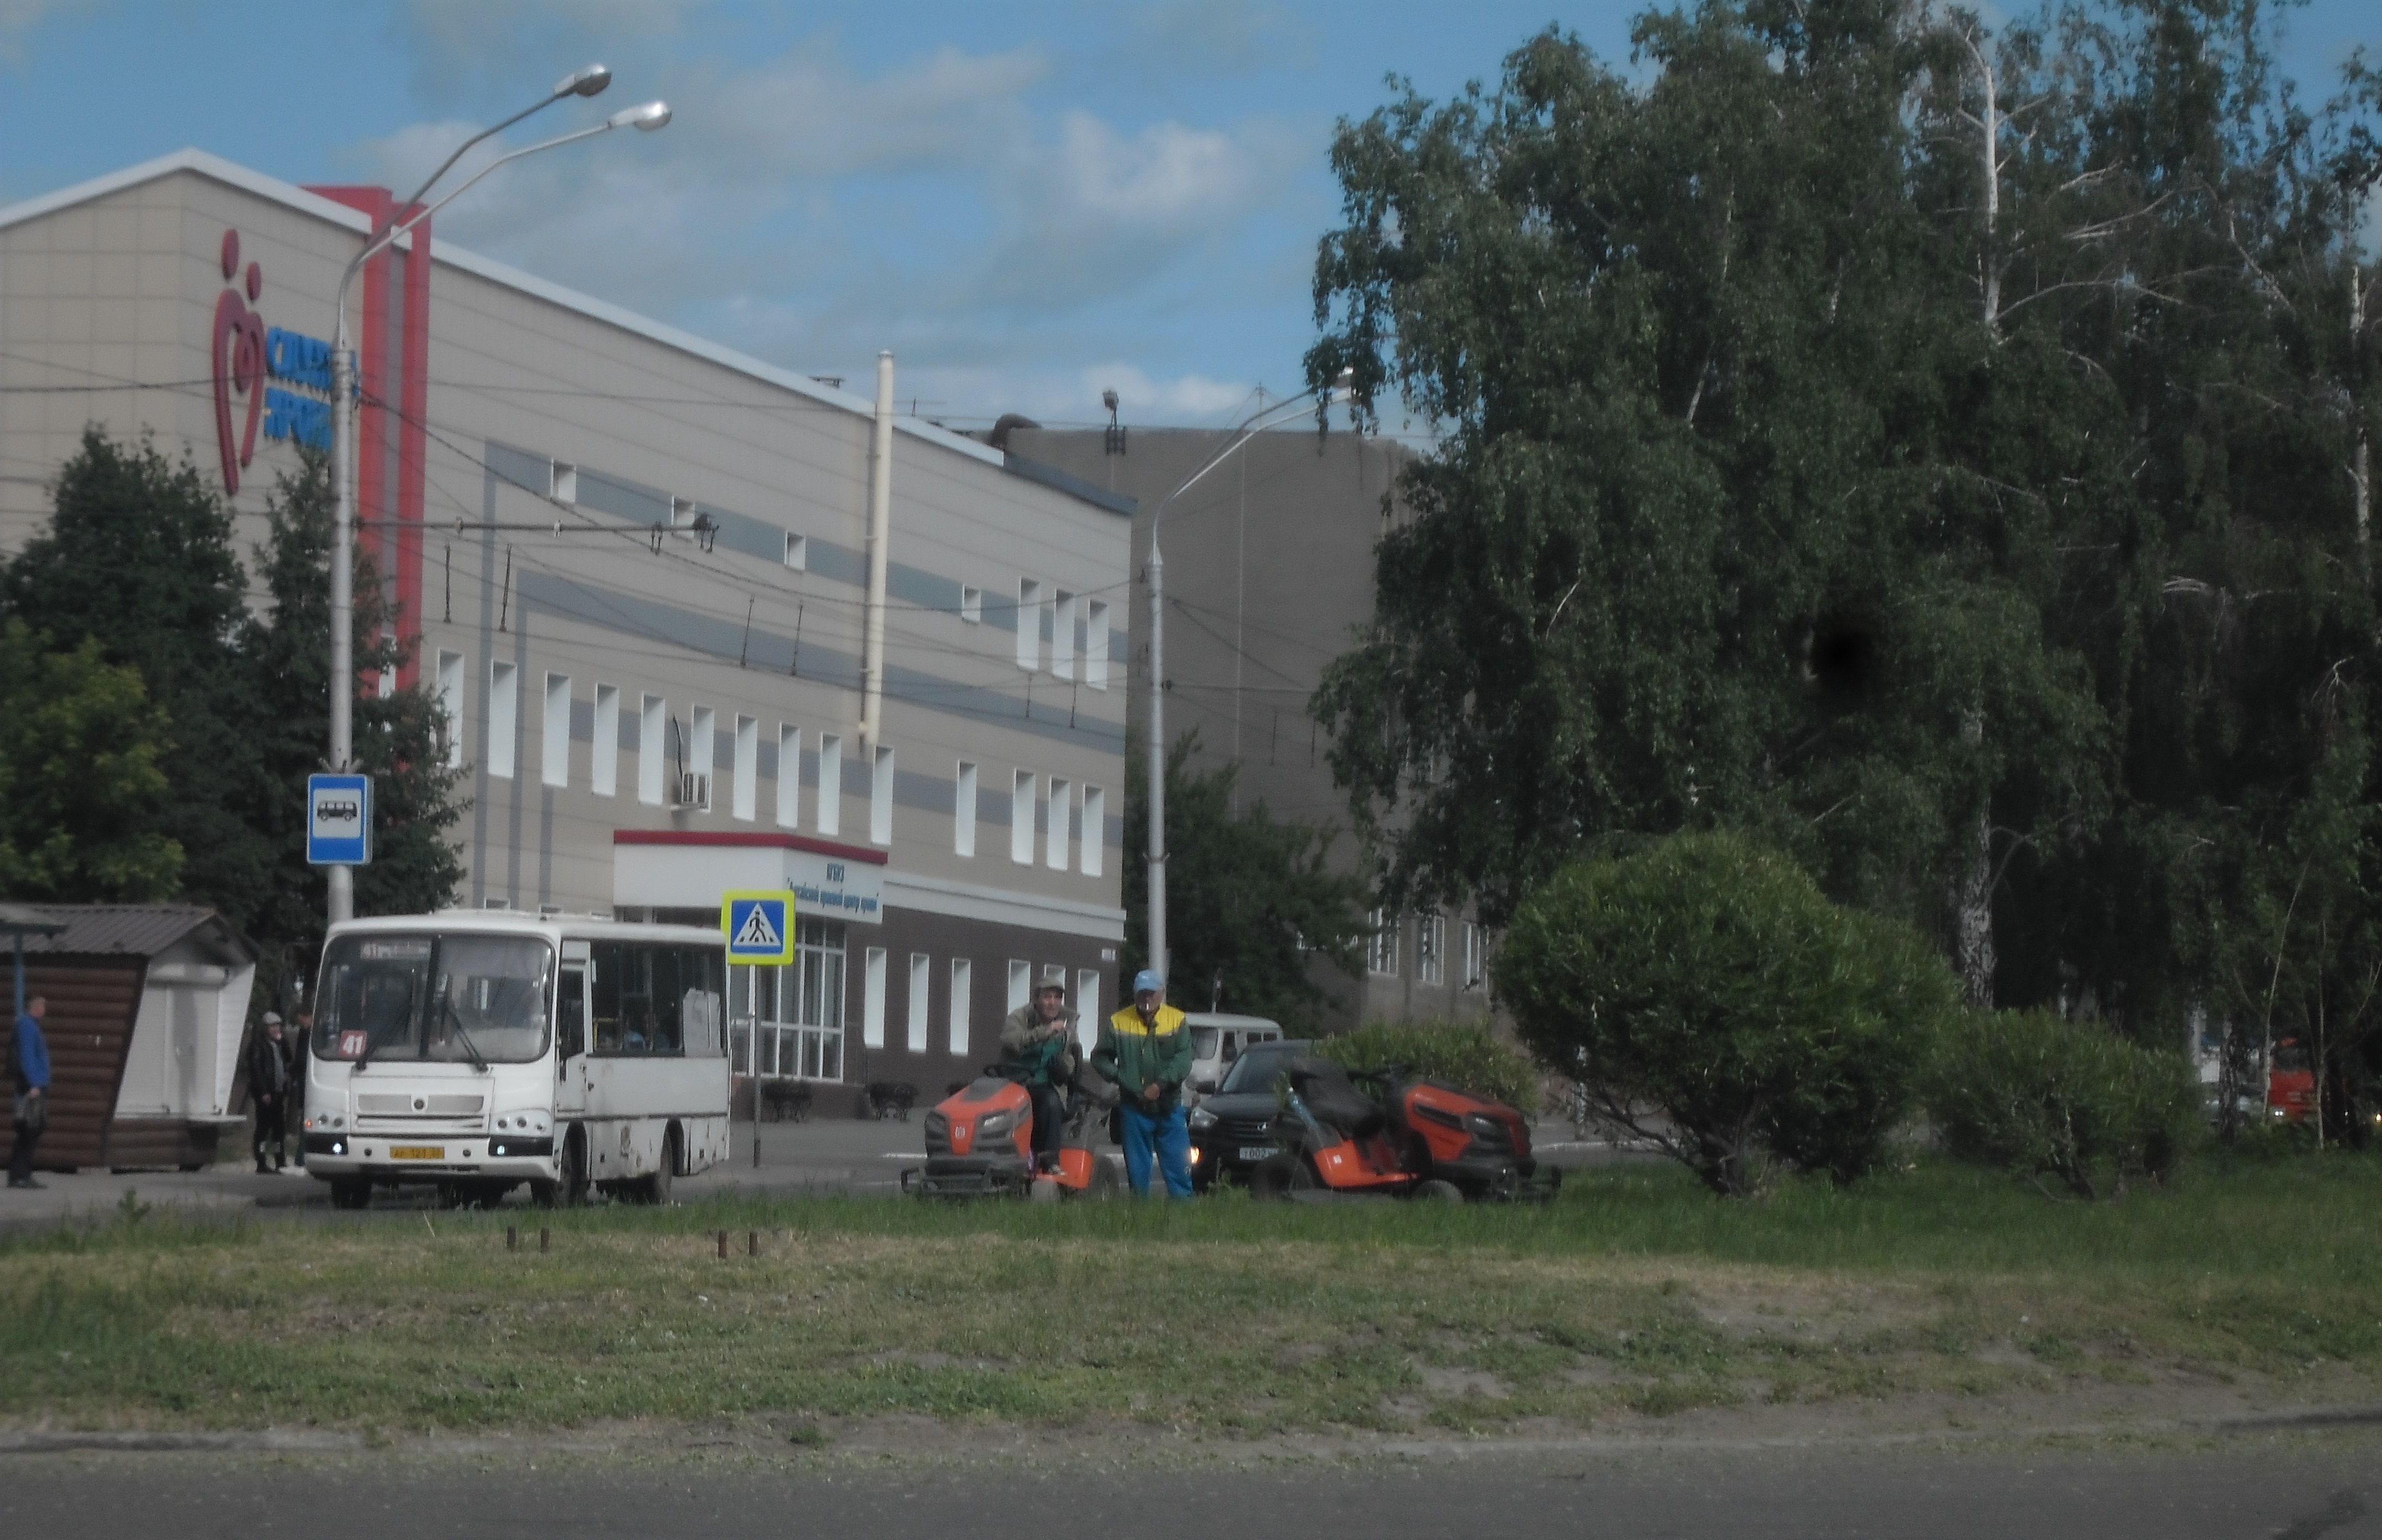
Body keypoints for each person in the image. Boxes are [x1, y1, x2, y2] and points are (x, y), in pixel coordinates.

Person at [1092, 970, 1193, 1198]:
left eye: (1152, 993)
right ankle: (1140, 1220)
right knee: (1137, 1175)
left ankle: (1184, 1217)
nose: (1147, 998)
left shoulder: (1177, 1020)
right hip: (1133, 1107)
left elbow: (1183, 1060)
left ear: (1162, 993)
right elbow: (1100, 1057)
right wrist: (1121, 1078)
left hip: (1169, 1107)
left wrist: (1160, 1085)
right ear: (1135, 994)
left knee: (1180, 1168)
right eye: (1142, 993)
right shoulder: (1118, 1021)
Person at [999, 979, 1078, 1173]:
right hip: (1016, 1083)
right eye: (1047, 997)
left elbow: (1071, 1057)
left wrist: (1064, 1068)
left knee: (1051, 1102)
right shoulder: (1019, 1018)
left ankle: (1050, 1161)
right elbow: (1011, 1041)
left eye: (1057, 998)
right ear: (1036, 999)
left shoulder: (1067, 1028)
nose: (1052, 1003)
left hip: (1048, 1085)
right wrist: (1045, 1032)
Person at [9, 993, 51, 1190]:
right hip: (32, 1085)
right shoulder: (27, 1025)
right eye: (43, 1006)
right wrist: (34, 1083)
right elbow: (27, 1056)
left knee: (33, 1130)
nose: (45, 1010)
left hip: (36, 1083)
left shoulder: (32, 1025)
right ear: (36, 1007)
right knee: (29, 1130)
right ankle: (19, 1176)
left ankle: (23, 1174)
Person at [248, 1011, 292, 1174]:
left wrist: (284, 1043)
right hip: (266, 1093)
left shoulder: (279, 1044)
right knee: (263, 1128)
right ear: (265, 1028)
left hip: (278, 1091)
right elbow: (257, 1070)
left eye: (278, 1026)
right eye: (273, 1026)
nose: (276, 1029)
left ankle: (280, 1159)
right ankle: (261, 1161)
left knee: (279, 1129)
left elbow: (289, 1059)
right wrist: (263, 1091)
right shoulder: (258, 1045)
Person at [286, 1009, 313, 1169]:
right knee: (305, 1120)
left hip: (305, 1082)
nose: (301, 1019)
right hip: (304, 1082)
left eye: (304, 1016)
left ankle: (301, 1157)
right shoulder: (306, 1034)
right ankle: (301, 1157)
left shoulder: (308, 1035)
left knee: (306, 1120)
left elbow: (301, 1059)